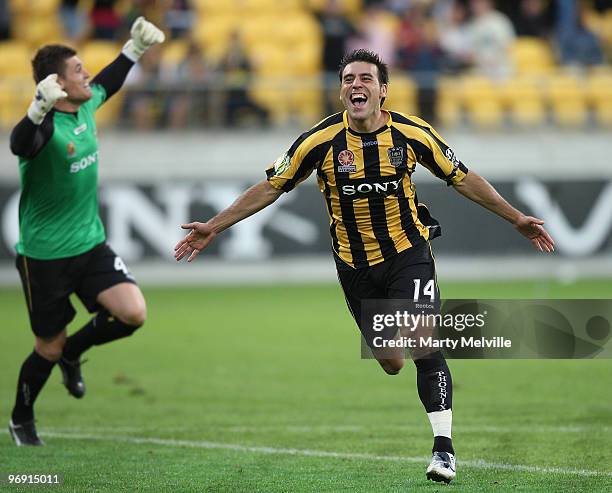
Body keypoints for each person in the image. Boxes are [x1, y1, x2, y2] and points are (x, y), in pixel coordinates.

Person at [173, 49, 555, 484]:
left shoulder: (413, 133)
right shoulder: (318, 142)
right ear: (340, 92)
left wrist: (515, 218)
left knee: (422, 343)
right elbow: (271, 186)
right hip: (354, 267)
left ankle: (444, 450)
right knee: (392, 360)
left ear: (383, 91)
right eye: (348, 79)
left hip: (408, 253)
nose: (356, 84)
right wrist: (215, 227)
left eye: (366, 79)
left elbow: (463, 177)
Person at [8, 17, 164, 446]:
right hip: (45, 255)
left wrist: (134, 48)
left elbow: (109, 83)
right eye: (78, 71)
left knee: (133, 313)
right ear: (56, 83)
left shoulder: (86, 105)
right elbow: (21, 143)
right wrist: (37, 109)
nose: (87, 75)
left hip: (90, 243)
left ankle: (76, 352)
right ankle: (22, 417)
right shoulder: (43, 129)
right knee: (48, 348)